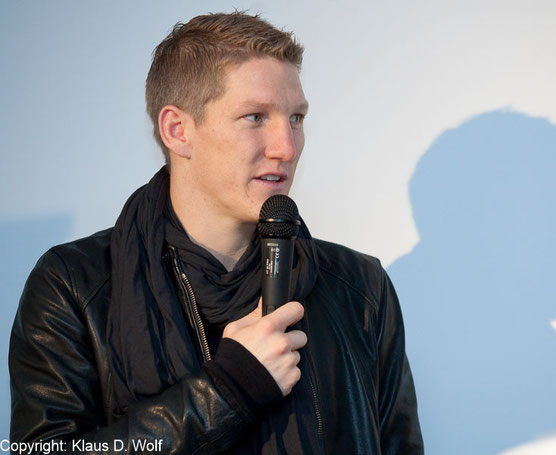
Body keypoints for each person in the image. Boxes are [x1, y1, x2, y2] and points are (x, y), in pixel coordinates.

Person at [9, 12, 423, 455]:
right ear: (177, 130)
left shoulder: (360, 288)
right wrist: (228, 392)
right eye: (255, 117)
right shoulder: (75, 285)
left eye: (296, 118)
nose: (286, 146)